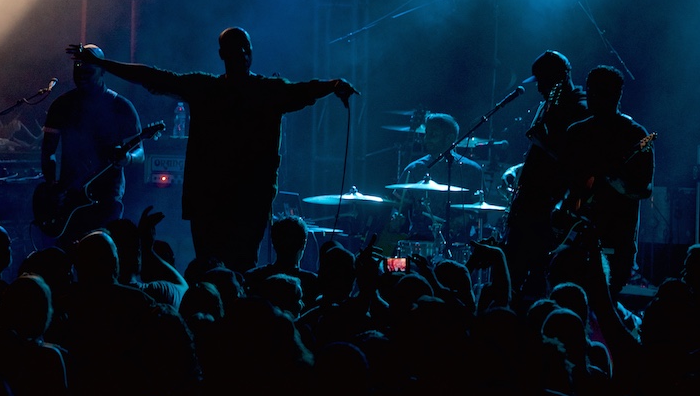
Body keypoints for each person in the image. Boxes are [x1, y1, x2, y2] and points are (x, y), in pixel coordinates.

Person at [67, 27, 358, 272]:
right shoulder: (240, 89)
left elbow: (303, 90)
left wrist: (331, 85)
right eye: (236, 49)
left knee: (227, 269)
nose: (242, 54)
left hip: (236, 202)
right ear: (223, 55)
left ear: (249, 52)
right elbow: (153, 77)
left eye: (244, 48)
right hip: (226, 202)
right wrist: (332, 85)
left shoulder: (245, 89)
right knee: (226, 269)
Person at [561, 65, 654, 298]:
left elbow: (644, 189)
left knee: (607, 299)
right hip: (576, 232)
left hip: (616, 236)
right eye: (590, 91)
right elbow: (566, 182)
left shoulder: (635, 134)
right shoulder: (576, 132)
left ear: (616, 95)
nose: (591, 98)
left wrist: (615, 182)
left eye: (599, 92)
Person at [502, 50, 588, 304]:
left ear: (559, 78)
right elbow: (542, 153)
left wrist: (543, 140)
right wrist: (518, 170)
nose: (538, 87)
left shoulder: (578, 108)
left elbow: (572, 161)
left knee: (533, 275)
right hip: (530, 202)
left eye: (542, 80)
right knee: (514, 271)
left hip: (546, 208)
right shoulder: (550, 103)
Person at [39, 44, 145, 245]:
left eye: (88, 69)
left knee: (102, 254)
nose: (81, 74)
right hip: (70, 196)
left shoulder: (120, 106)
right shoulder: (62, 105)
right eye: (77, 68)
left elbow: (140, 152)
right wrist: (53, 187)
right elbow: (48, 151)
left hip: (107, 198)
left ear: (102, 70)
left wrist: (128, 158)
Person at [395, 113, 485, 245]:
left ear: (449, 138)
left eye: (433, 135)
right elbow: (399, 206)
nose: (427, 139)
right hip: (419, 240)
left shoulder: (472, 170)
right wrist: (396, 218)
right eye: (427, 134)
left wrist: (464, 219)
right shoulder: (414, 169)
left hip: (459, 241)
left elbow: (479, 209)